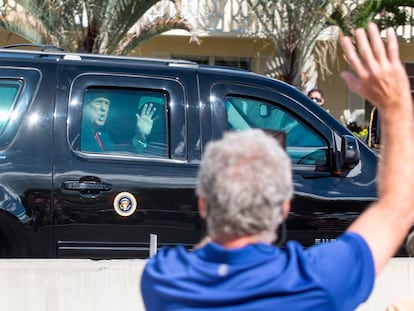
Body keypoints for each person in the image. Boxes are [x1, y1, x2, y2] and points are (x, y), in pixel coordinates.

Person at [140, 23, 414, 310]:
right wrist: (395, 104)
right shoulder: (316, 281)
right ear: (284, 207)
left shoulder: (164, 278)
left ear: (203, 203)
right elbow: (398, 208)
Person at [81, 93, 157, 153]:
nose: (104, 108)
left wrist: (140, 136)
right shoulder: (77, 134)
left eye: (107, 103)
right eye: (98, 102)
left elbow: (123, 159)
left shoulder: (105, 137)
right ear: (84, 106)